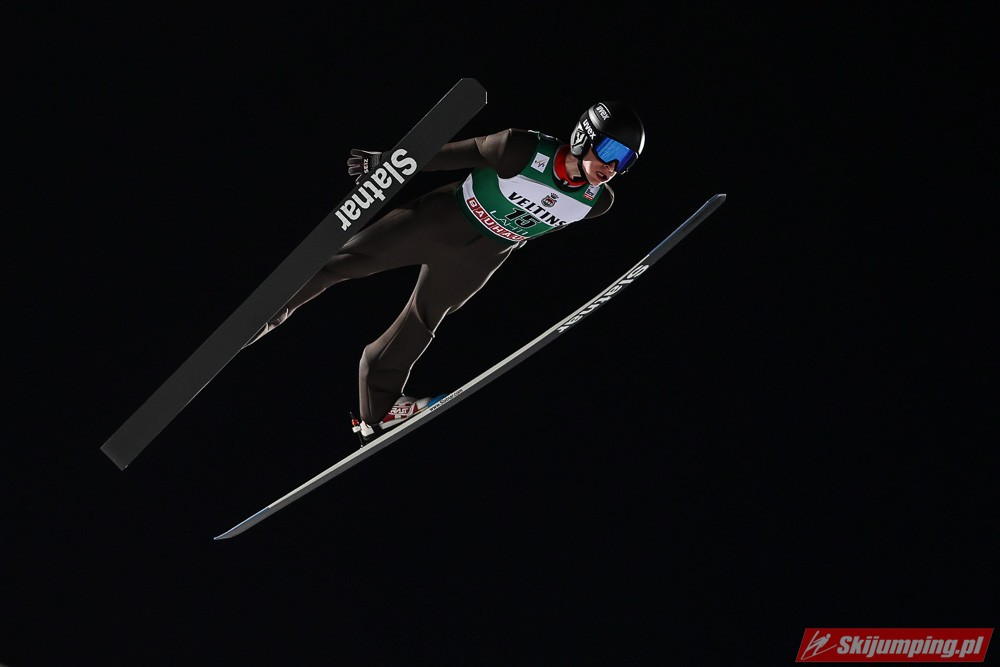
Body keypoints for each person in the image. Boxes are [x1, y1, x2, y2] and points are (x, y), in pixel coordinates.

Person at [244, 101, 645, 442]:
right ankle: (262, 318)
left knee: (423, 318)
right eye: (610, 150)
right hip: (442, 220)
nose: (612, 166)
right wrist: (386, 163)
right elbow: (447, 154)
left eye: (625, 160)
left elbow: (543, 221)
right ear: (585, 136)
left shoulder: (598, 202)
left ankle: (378, 411)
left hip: (483, 256)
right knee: (344, 263)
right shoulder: (520, 148)